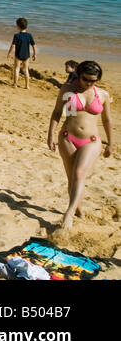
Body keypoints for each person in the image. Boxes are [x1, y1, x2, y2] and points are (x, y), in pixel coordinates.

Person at [47, 60, 112, 230]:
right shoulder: (67, 90)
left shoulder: (103, 95)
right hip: (67, 138)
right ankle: (79, 209)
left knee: (78, 173)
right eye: (85, 79)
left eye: (93, 80)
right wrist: (50, 135)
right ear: (78, 75)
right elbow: (57, 112)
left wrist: (111, 144)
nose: (89, 83)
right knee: (73, 179)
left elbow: (107, 120)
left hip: (91, 141)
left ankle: (68, 213)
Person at [7, 16, 36, 89]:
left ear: (18, 26)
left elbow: (13, 45)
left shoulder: (16, 36)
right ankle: (27, 86)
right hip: (26, 55)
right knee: (26, 70)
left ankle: (15, 84)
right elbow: (33, 45)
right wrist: (34, 54)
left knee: (17, 69)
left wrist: (9, 53)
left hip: (18, 55)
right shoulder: (29, 35)